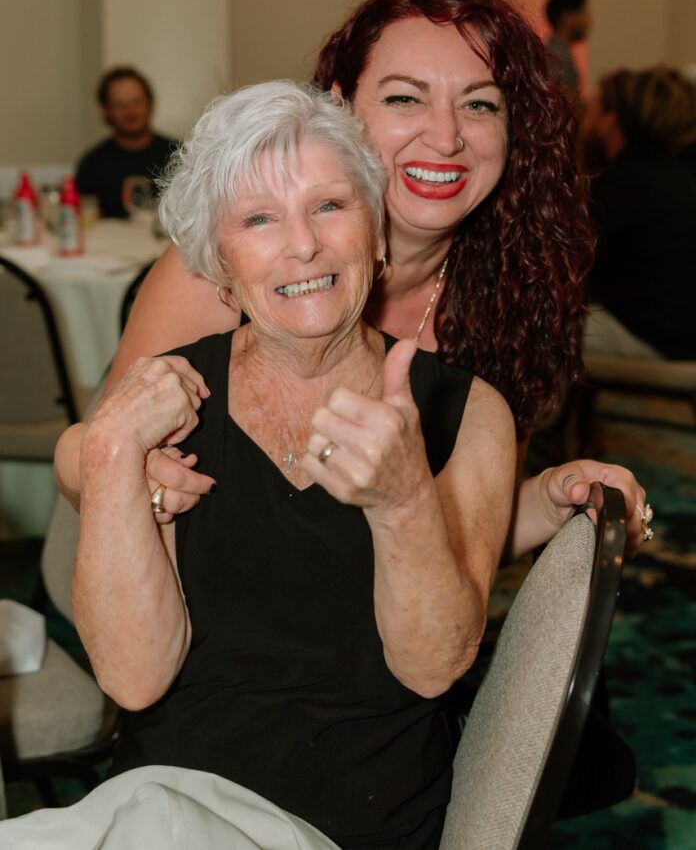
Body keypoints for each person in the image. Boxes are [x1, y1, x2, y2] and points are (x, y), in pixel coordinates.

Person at [56, 0, 647, 558]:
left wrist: (547, 498)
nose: (445, 137)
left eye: (479, 105)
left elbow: (459, 540)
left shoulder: (516, 297)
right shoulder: (221, 273)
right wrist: (147, 494)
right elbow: (98, 466)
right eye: (404, 98)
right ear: (340, 107)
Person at [69, 81, 516, 849]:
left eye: (330, 206)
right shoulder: (168, 403)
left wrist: (405, 499)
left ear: (376, 233)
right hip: (171, 802)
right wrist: (112, 455)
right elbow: (132, 677)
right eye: (259, 219)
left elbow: (434, 667)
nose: (302, 244)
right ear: (219, 265)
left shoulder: (469, 413)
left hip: (358, 819)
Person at [584, 65, 696, 360]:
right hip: (681, 334)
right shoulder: (679, 175)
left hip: (654, 338)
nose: (584, 114)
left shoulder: (622, 182)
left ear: (612, 120)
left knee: (524, 331)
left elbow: (570, 260)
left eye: (593, 106)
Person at [75, 66, 176, 218]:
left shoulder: (178, 156)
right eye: (120, 105)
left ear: (149, 104)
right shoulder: (92, 164)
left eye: (137, 102)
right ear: (106, 111)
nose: (130, 111)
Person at [544, 0, 590, 97]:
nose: (588, 21)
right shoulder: (557, 55)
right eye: (584, 13)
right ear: (567, 17)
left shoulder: (558, 51)